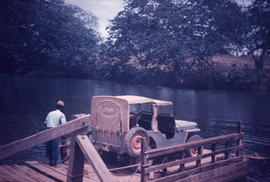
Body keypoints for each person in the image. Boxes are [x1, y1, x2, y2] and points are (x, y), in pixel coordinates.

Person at [44, 100, 66, 166]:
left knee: (49, 147)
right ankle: (54, 163)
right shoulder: (62, 114)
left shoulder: (50, 113)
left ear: (56, 107)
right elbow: (64, 125)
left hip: (48, 131)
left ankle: (50, 162)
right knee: (55, 148)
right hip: (55, 131)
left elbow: (45, 123)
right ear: (62, 108)